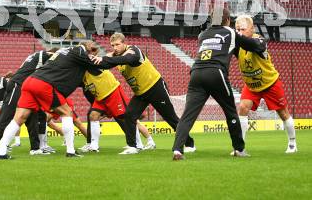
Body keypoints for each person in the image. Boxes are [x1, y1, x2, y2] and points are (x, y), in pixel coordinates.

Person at [0, 41, 121, 159]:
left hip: (29, 82)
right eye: (94, 53)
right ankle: (70, 151)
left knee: (19, 118)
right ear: (90, 49)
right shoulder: (80, 51)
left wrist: (106, 57)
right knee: (67, 113)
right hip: (44, 84)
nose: (94, 56)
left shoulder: (64, 50)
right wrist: (117, 59)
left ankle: (1, 152)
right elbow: (98, 65)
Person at [172, 8, 262, 160]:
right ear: (228, 21)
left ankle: (177, 150)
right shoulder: (230, 32)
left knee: (187, 115)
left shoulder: (202, 35)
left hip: (196, 74)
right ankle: (239, 149)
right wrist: (260, 42)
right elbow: (252, 45)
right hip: (216, 73)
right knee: (231, 112)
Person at [91, 33, 194, 155]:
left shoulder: (133, 50)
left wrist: (106, 58)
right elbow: (104, 64)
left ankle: (189, 144)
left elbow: (127, 59)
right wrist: (93, 60)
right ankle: (132, 146)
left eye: (118, 44)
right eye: (113, 45)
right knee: (129, 115)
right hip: (141, 93)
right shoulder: (115, 56)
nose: (115, 47)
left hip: (155, 88)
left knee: (170, 118)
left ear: (124, 43)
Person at [0, 49, 58, 157]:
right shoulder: (44, 55)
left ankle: (35, 148)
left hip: (25, 88)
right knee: (5, 118)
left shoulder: (36, 57)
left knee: (34, 117)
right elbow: (54, 56)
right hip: (17, 86)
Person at [234, 14, 297, 153]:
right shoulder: (236, 45)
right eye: (237, 28)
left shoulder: (259, 40)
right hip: (252, 86)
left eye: (243, 28)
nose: (239, 31)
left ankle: (292, 143)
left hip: (270, 83)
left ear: (252, 29)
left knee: (283, 113)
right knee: (243, 108)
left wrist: (238, 38)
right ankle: (240, 147)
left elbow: (257, 46)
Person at [79, 68, 156, 153]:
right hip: (100, 97)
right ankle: (93, 145)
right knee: (93, 115)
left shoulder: (94, 65)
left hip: (112, 93)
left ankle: (141, 143)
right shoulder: (83, 75)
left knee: (127, 119)